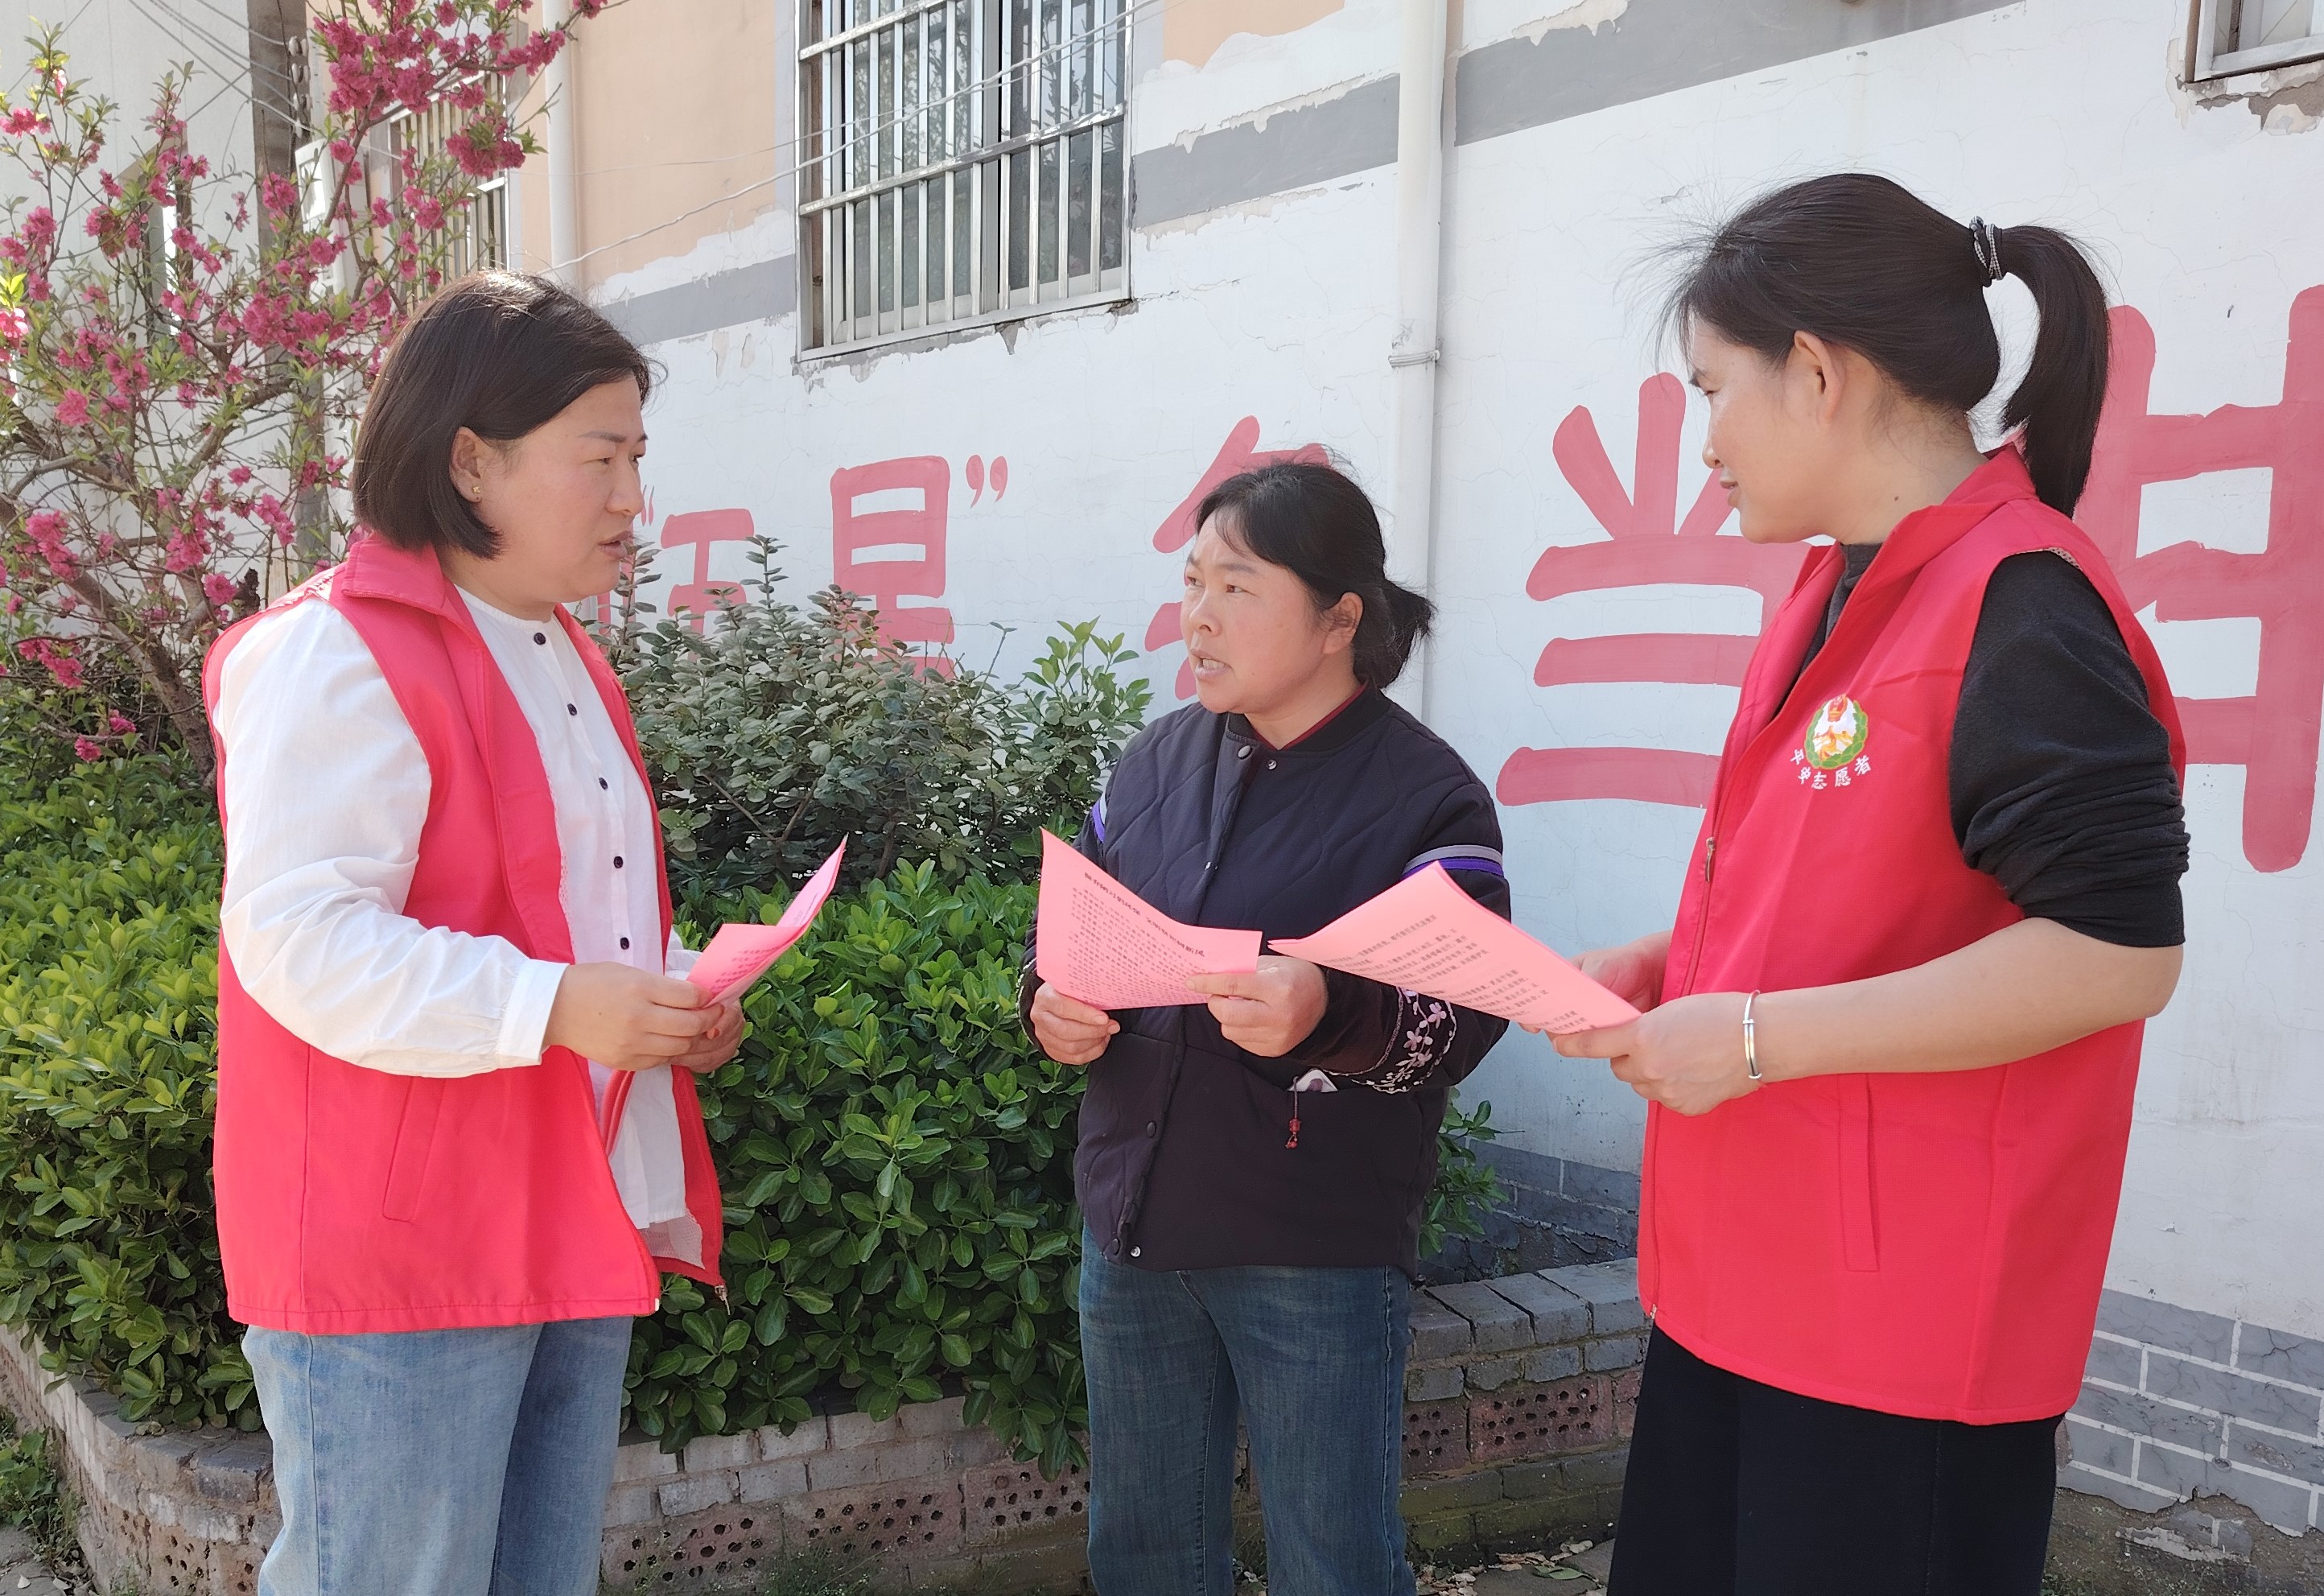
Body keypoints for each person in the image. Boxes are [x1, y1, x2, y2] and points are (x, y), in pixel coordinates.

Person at [1549, 175, 2190, 1595]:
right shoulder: (1839, 585)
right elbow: (1855, 889)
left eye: (1713, 390)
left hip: (1900, 1343)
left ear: (1821, 375)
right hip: (1742, 1288)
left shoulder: (2024, 603)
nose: (1704, 441)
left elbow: (2114, 952)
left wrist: (1759, 1038)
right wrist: (1679, 962)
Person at [202, 273, 740, 1596]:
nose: (631, 498)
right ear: (470, 461)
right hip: (404, 1252)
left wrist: (666, 1005)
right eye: (598, 458)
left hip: (563, 1206)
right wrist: (561, 1006)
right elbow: (301, 938)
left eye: (638, 458)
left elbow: (572, 915)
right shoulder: (336, 653)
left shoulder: (557, 649)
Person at [1024, 461, 1510, 1596]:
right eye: (1193, 582)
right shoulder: (1155, 760)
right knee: (1143, 1552)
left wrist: (1327, 1008)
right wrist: (1048, 1004)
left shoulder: (1425, 798)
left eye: (1236, 588)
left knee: (1332, 1562)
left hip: (1311, 1250)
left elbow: (1468, 1017)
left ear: (1341, 617)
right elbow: (1071, 932)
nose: (1198, 615)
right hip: (1134, 1229)